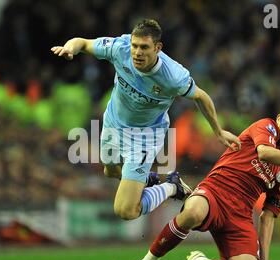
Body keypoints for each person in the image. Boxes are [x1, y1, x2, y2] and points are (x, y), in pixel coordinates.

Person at [114, 97, 280, 260]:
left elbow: (269, 215)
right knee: (192, 213)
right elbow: (264, 152)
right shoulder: (266, 126)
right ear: (279, 118)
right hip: (214, 192)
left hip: (240, 215)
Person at [51, 19, 240, 221]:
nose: (137, 52)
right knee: (110, 170)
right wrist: (70, 47)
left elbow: (201, 97)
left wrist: (218, 131)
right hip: (114, 123)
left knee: (125, 210)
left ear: (157, 48)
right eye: (134, 46)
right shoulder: (120, 48)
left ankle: (171, 187)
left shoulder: (173, 76)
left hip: (145, 136)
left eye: (144, 47)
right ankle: (150, 179)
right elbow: (83, 42)